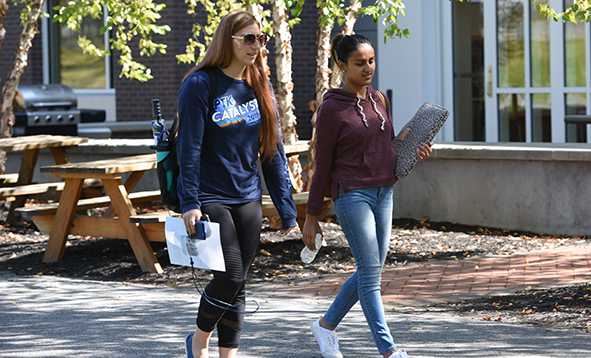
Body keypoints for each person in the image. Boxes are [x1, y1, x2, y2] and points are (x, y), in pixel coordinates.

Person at [302, 33, 433, 358]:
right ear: (341, 65)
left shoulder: (379, 100)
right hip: (352, 195)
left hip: (383, 191)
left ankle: (326, 325)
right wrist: (311, 216)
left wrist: (412, 151)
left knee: (370, 269)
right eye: (360, 63)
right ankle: (389, 352)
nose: (368, 68)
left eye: (371, 61)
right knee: (371, 274)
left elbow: (387, 148)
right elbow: (322, 165)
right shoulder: (332, 109)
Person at [176, 10, 298, 358]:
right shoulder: (201, 84)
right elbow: (190, 148)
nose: (256, 45)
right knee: (229, 277)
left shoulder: (259, 86)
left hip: (248, 196)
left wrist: (287, 210)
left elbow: (272, 150)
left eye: (260, 39)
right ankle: (199, 339)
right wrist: (190, 203)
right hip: (210, 195)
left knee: (240, 283)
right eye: (248, 38)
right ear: (226, 40)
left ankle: (227, 355)